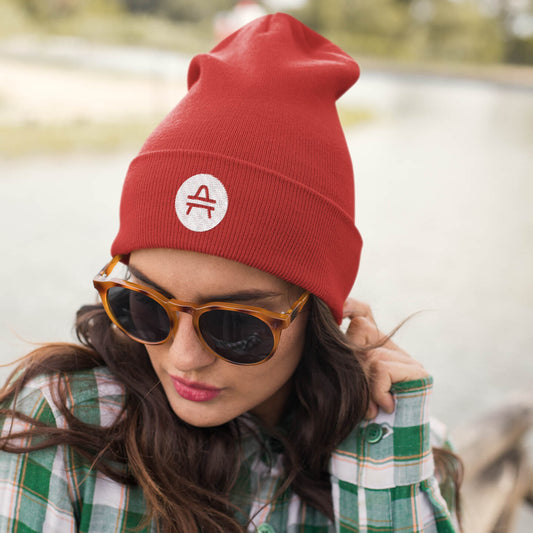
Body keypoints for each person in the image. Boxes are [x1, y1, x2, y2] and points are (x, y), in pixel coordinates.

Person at [0, 13, 461, 533]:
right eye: (146, 309)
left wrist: (380, 453)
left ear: (321, 311)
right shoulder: (62, 426)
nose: (184, 359)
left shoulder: (405, 446)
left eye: (235, 326)